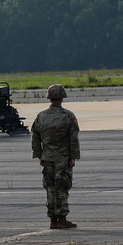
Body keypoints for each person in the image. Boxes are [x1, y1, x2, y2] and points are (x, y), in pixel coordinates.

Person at [31, 84, 80, 229]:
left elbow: (35, 137)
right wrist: (73, 156)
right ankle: (62, 218)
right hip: (63, 158)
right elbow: (73, 138)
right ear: (62, 97)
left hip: (47, 158)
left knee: (50, 188)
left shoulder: (41, 116)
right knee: (62, 188)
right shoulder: (68, 116)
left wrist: (39, 155)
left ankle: (52, 219)